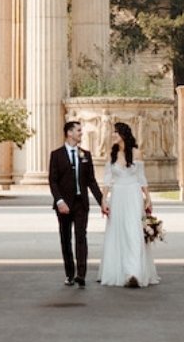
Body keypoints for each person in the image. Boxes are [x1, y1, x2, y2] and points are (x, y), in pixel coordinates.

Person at [99, 120, 159, 288]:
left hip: (133, 195)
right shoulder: (111, 154)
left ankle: (134, 272)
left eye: (115, 132)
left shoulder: (137, 153)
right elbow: (106, 180)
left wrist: (148, 197)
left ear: (123, 134)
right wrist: (104, 199)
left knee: (133, 231)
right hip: (118, 195)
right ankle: (120, 270)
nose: (113, 135)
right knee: (119, 231)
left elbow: (141, 178)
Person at [48, 119, 106, 287]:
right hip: (64, 205)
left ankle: (81, 274)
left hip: (81, 203)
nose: (81, 133)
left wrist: (102, 201)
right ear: (69, 133)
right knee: (65, 239)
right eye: (79, 130)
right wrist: (59, 201)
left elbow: (91, 181)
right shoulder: (56, 155)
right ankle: (69, 274)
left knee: (81, 237)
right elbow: (53, 181)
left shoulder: (85, 155)